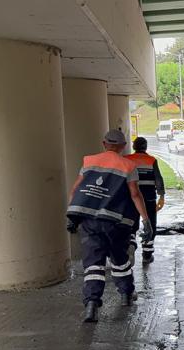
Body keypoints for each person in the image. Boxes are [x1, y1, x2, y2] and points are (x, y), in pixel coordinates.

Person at [66, 130, 153, 323]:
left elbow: (76, 189)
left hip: (90, 221)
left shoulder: (88, 161)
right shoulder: (128, 165)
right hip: (115, 222)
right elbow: (135, 194)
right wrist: (146, 220)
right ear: (122, 146)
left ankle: (91, 304)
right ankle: (125, 295)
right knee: (120, 260)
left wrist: (71, 215)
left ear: (104, 143)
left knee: (94, 264)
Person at [125, 137, 165, 265]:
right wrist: (161, 196)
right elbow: (158, 179)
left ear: (134, 146)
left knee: (131, 223)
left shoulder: (127, 159)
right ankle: (147, 255)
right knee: (150, 223)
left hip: (131, 197)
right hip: (148, 197)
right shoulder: (151, 160)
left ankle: (131, 243)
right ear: (145, 147)